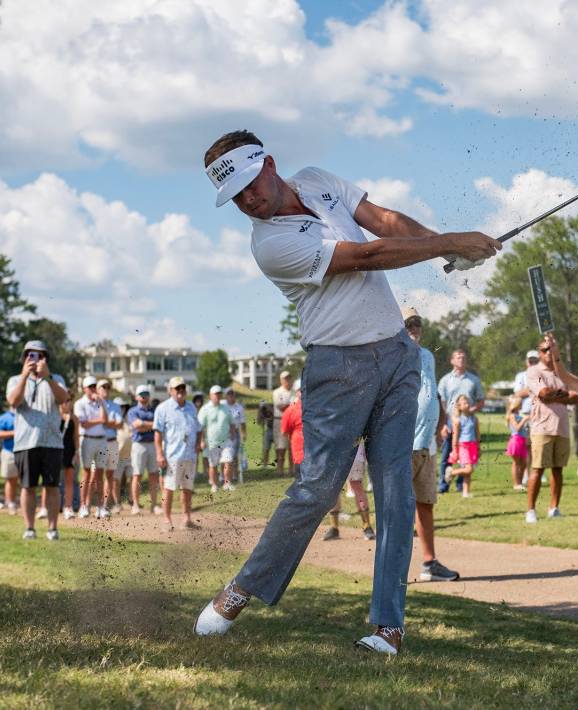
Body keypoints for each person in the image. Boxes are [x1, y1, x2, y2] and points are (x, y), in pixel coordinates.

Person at [193, 129, 499, 654]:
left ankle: (388, 627)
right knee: (316, 488)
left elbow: (382, 221)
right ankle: (241, 590)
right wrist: (450, 243)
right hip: (337, 367)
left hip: (398, 355)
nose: (248, 200)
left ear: (269, 163)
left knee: (396, 492)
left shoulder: (315, 180)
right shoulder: (270, 244)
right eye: (236, 197)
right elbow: (365, 256)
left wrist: (444, 248)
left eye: (250, 184)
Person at [402, 307, 459, 582]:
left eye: (416, 324)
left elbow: (432, 393)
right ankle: (392, 569)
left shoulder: (427, 356)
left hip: (427, 444)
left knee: (425, 503)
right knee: (397, 508)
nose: (413, 328)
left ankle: (429, 563)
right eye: (408, 324)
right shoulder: (393, 356)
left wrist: (441, 424)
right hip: (402, 445)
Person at [6, 340, 69, 540]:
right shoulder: (15, 379)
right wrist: (25, 376)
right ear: (24, 358)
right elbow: (14, 401)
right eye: (30, 355)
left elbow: (62, 399)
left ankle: (52, 529)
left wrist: (48, 376)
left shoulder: (56, 378)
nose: (34, 359)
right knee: (27, 487)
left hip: (52, 441)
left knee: (51, 487)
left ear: (46, 359)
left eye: (39, 355)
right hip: (26, 442)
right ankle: (29, 528)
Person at [525, 334, 578, 524]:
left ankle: (554, 507)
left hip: (562, 427)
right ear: (539, 353)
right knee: (538, 469)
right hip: (542, 427)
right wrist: (563, 395)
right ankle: (531, 510)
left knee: (558, 470)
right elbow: (543, 393)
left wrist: (556, 396)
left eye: (551, 349)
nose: (548, 352)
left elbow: (577, 397)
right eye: (544, 350)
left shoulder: (561, 372)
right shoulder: (534, 371)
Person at [154, 377, 202, 530]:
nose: (180, 391)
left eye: (182, 388)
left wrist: (197, 445)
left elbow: (199, 429)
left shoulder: (191, 407)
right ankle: (167, 520)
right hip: (172, 457)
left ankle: (186, 519)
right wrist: (159, 454)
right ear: (170, 391)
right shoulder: (163, 408)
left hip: (190, 456)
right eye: (177, 388)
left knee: (187, 489)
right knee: (169, 489)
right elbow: (158, 434)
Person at [437, 349, 484, 494]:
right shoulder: (445, 380)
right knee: (447, 455)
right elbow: (441, 404)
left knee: (465, 457)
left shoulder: (473, 380)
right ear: (452, 361)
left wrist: (471, 410)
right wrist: (443, 424)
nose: (461, 359)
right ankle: (443, 486)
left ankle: (459, 486)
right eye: (458, 357)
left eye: (463, 357)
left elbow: (481, 401)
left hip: (466, 422)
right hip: (450, 422)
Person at [74, 375, 110, 519]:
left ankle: (100, 507)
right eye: (90, 387)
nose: (93, 389)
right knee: (86, 474)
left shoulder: (100, 402)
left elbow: (105, 420)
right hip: (87, 440)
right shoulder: (79, 403)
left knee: (100, 474)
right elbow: (83, 423)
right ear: (84, 389)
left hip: (101, 440)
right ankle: (84, 506)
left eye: (94, 386)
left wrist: (101, 404)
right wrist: (98, 420)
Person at [324, 442, 375, 541]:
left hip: (353, 451)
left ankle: (367, 526)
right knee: (333, 487)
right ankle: (334, 528)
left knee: (356, 486)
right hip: (334, 451)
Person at [128, 384, 161, 515]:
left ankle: (154, 505)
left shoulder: (154, 410)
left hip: (153, 444)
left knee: (154, 475)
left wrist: (144, 424)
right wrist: (152, 425)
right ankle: (135, 505)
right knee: (137, 475)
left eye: (146, 394)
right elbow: (137, 425)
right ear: (137, 397)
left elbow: (156, 426)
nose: (144, 396)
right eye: (141, 394)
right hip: (139, 445)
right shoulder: (132, 411)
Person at [198, 385, 233, 492]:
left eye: (219, 394)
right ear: (210, 395)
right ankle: (214, 484)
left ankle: (227, 483)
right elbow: (200, 427)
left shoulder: (226, 407)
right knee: (213, 465)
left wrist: (233, 434)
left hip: (226, 441)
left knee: (228, 461)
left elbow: (231, 423)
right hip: (211, 443)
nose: (217, 396)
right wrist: (202, 440)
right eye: (215, 394)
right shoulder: (205, 409)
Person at [444, 395, 479, 497]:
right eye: (464, 403)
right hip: (463, 446)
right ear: (459, 406)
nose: (467, 404)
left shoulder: (474, 418)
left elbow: (477, 433)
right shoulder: (457, 420)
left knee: (469, 471)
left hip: (473, 446)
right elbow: (455, 436)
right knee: (468, 469)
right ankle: (452, 472)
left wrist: (478, 447)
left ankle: (465, 492)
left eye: (467, 402)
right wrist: (455, 450)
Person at [512, 349, 538, 481]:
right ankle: (525, 474)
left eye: (535, 360)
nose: (533, 363)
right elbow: (518, 393)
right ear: (527, 362)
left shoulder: (542, 374)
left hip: (538, 414)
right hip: (524, 414)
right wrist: (533, 388)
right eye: (531, 360)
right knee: (525, 446)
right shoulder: (521, 376)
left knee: (535, 445)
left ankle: (534, 473)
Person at [97, 380, 124, 514]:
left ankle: (104, 506)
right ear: (98, 389)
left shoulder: (115, 406)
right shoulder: (94, 405)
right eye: (104, 387)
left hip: (112, 442)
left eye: (108, 387)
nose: (106, 389)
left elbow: (119, 424)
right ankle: (94, 505)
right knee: (95, 475)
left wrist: (105, 422)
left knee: (109, 476)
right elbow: (96, 424)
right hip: (99, 442)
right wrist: (108, 422)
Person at [0, 407, 19, 514]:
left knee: (26, 481)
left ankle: (24, 503)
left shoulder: (27, 414)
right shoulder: (5, 417)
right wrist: (15, 432)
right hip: (10, 452)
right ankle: (11, 503)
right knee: (11, 479)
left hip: (26, 452)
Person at [58, 396, 79, 518]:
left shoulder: (74, 418)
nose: (67, 403)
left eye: (69, 401)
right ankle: (47, 507)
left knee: (69, 480)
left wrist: (76, 452)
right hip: (55, 450)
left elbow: (76, 436)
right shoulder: (55, 416)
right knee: (52, 481)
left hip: (69, 451)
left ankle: (68, 507)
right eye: (65, 401)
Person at [505, 396, 529, 491]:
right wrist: (524, 420)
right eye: (520, 403)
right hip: (516, 440)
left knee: (523, 463)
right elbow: (517, 428)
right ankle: (516, 484)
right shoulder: (512, 416)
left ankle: (520, 482)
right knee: (516, 463)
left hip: (522, 440)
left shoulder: (519, 415)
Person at [224, 388, 247, 487]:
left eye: (232, 395)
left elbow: (242, 422)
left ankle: (235, 475)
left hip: (236, 433)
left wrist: (244, 433)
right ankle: (223, 476)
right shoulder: (223, 406)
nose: (231, 397)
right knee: (225, 456)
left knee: (235, 455)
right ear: (226, 396)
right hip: (224, 433)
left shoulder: (239, 408)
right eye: (229, 395)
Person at [272, 371, 294, 474]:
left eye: (289, 378)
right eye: (285, 379)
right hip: (280, 421)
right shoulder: (277, 392)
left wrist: (290, 406)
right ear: (281, 380)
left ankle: (291, 469)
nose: (287, 380)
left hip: (293, 422)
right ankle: (280, 469)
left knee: (292, 447)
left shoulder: (295, 392)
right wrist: (292, 406)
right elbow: (281, 407)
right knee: (280, 447)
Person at [280, 392, 303, 478]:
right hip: (317, 452)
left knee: (301, 481)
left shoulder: (290, 410)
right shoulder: (317, 409)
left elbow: (284, 432)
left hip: (299, 451)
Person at [115, 400, 133, 508]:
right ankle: (117, 503)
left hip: (130, 455)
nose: (122, 408)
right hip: (117, 455)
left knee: (132, 478)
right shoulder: (113, 419)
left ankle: (132, 500)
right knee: (116, 480)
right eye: (119, 406)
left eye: (123, 406)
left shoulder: (129, 419)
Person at [257, 400, 274, 467]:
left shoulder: (272, 407)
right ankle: (265, 464)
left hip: (276, 429)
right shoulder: (262, 411)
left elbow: (275, 414)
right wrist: (259, 411)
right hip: (269, 429)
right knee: (266, 448)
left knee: (278, 448)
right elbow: (259, 422)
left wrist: (268, 407)